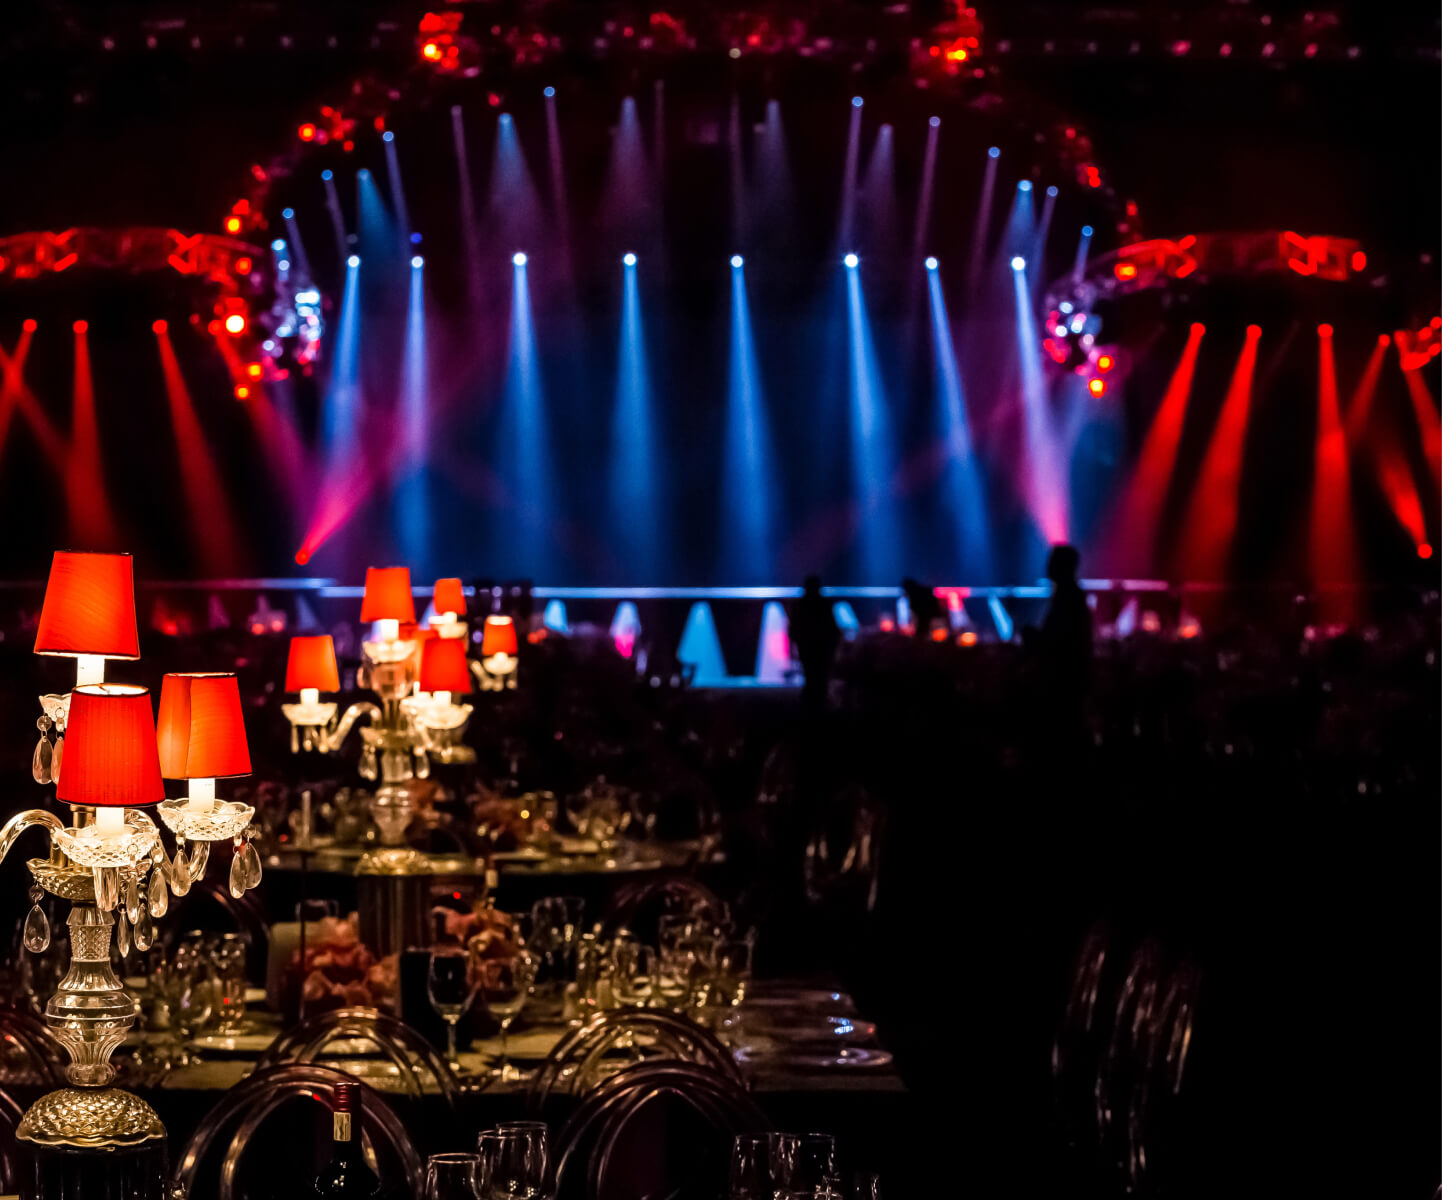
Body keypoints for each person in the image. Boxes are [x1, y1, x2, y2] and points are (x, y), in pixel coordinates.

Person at [792, 575, 840, 713]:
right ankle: (817, 707)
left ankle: (812, 707)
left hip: (810, 647)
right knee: (819, 678)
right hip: (820, 648)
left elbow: (794, 629)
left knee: (812, 677)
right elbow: (833, 629)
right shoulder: (824, 604)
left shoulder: (800, 605)